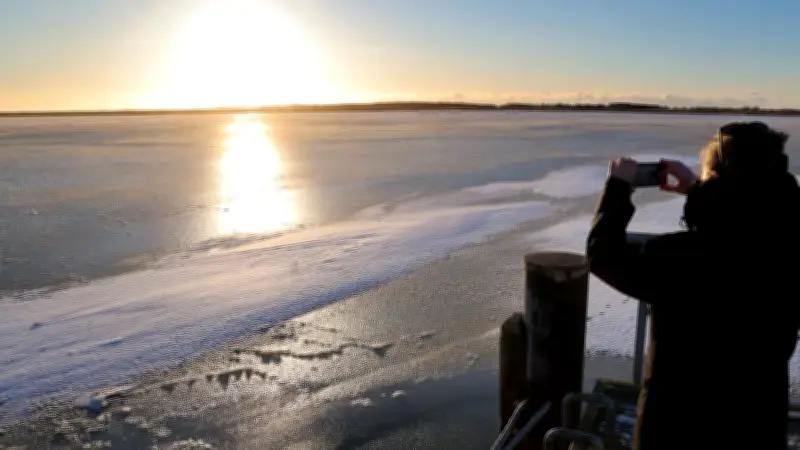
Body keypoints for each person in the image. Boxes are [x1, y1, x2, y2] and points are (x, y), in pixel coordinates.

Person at [586, 121, 800, 449]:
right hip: (759, 424)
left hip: (678, 426)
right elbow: (753, 217)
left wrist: (617, 190)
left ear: (715, 178)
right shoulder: (788, 253)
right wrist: (700, 191)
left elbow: (604, 257)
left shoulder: (681, 257)